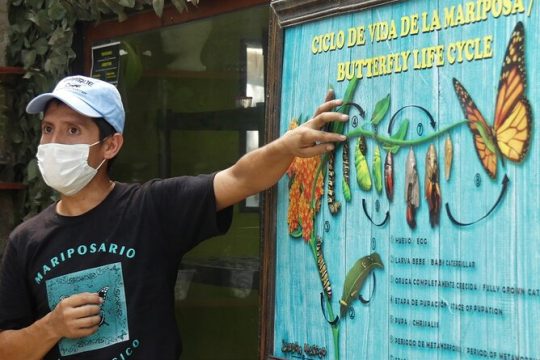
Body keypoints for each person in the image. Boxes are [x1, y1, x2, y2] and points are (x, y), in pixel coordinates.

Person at [0, 75, 347, 359]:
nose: (54, 142)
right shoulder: (26, 241)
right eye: (48, 129)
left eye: (72, 130)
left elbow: (239, 179)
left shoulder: (150, 209)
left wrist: (287, 146)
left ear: (110, 146)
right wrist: (52, 326)